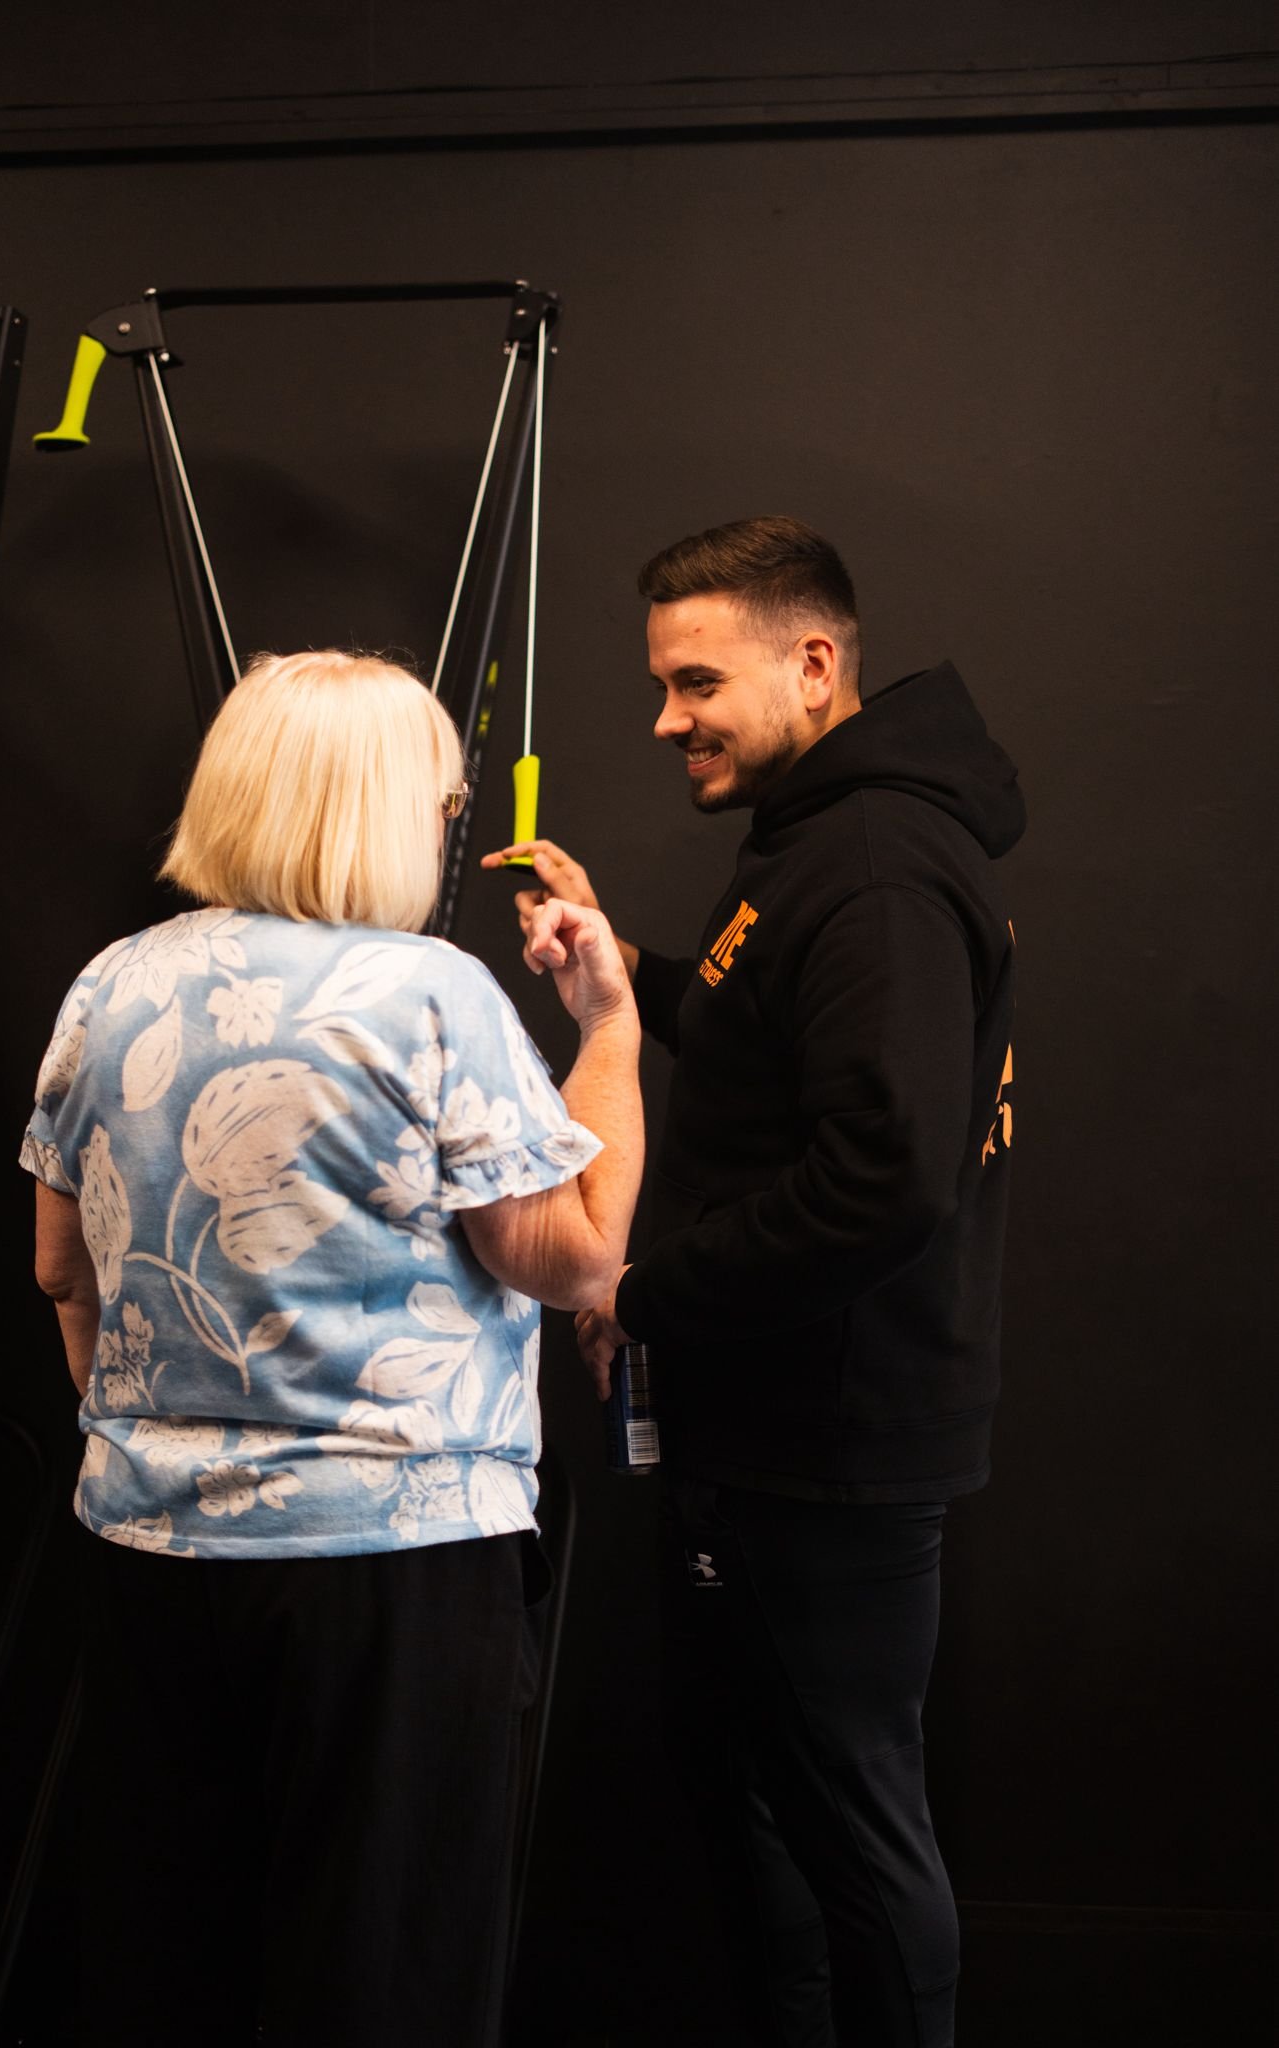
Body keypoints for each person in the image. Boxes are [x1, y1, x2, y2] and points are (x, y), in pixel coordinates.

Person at [21, 648, 642, 2048]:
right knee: (382, 1982)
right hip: (393, 1583)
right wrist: (609, 1026)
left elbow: (61, 1267)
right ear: (380, 809)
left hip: (150, 1561)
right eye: (437, 797)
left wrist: (168, 1441)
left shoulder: (108, 984)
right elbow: (581, 1254)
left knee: (170, 1965)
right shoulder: (432, 996)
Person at [484, 516, 1024, 2048]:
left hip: (832, 1445)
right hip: (765, 1427)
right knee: (760, 1801)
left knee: (851, 1819)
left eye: (693, 683)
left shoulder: (873, 867)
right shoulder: (815, 842)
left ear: (811, 664)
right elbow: (766, 1036)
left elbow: (883, 1176)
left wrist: (637, 1292)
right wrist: (620, 981)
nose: (665, 720)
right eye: (661, 685)